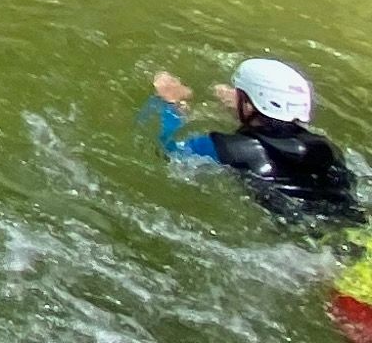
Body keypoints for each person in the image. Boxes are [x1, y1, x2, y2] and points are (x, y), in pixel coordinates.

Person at [149, 62, 363, 223]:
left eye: (238, 94)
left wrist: (171, 104)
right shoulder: (326, 147)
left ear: (249, 106)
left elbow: (166, 151)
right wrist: (243, 107)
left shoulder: (228, 148)